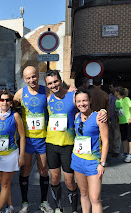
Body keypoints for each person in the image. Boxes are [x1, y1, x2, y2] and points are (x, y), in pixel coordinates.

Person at [45, 70, 107, 213]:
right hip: (51, 143)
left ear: (60, 80)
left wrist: (102, 111)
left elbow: (84, 105)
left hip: (69, 145)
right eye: (50, 83)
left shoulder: (72, 95)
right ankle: (58, 208)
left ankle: (73, 210)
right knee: (54, 178)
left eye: (55, 81)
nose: (53, 85)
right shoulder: (49, 99)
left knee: (70, 182)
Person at [13, 66, 53, 213]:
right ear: (25, 79)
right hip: (27, 140)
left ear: (38, 76)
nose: (32, 80)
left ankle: (44, 201)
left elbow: (59, 98)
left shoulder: (46, 91)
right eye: (28, 78)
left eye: (34, 76)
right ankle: (25, 203)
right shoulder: (20, 93)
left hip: (43, 138)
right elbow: (9, 107)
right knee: (26, 170)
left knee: (43, 170)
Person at [71, 88, 108, 213]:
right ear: (75, 103)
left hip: (93, 163)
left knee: (95, 198)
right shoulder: (76, 116)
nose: (82, 104)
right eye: (79, 101)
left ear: (90, 100)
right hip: (77, 161)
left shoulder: (99, 117)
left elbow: (106, 141)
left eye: (85, 100)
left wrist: (102, 163)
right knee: (84, 193)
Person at [0, 89, 25, 213]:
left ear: (11, 103)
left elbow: (22, 136)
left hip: (11, 154)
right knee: (4, 184)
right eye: (1, 100)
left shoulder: (15, 116)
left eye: (7, 100)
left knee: (5, 184)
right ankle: (10, 207)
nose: (4, 102)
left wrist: (21, 156)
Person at [114, 86, 131, 162]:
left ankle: (130, 154)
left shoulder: (126, 99)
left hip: (128, 121)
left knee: (129, 138)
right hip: (121, 121)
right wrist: (117, 119)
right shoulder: (117, 101)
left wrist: (130, 117)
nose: (114, 92)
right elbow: (117, 111)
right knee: (123, 138)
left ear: (118, 92)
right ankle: (124, 153)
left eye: (115, 91)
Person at [108, 83, 121, 157]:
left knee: (116, 135)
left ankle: (116, 150)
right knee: (110, 134)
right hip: (110, 117)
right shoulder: (109, 96)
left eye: (111, 87)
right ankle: (110, 149)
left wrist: (118, 118)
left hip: (116, 118)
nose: (110, 88)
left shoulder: (118, 97)